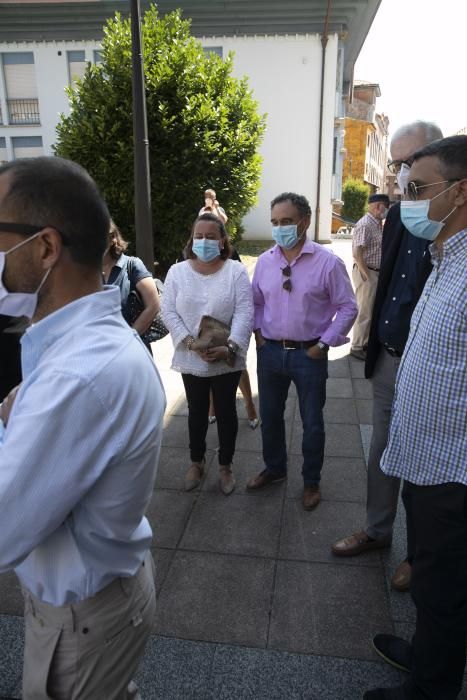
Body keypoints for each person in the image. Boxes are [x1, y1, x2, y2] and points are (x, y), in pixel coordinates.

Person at [0, 156, 166, 699]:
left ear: (46, 247)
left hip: (82, 615)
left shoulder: (77, 374)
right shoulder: (80, 346)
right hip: (100, 595)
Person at [364, 135, 467, 700]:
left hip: (455, 473)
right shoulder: (444, 256)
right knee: (431, 576)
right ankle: (428, 652)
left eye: (419, 189)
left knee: (445, 588)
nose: (406, 200)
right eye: (404, 187)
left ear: (461, 191)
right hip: (425, 460)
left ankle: (432, 688)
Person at [332, 122, 443, 593]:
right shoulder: (398, 217)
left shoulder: (452, 223)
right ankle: (378, 531)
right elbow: (388, 284)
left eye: (409, 162)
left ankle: (420, 556)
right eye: (396, 165)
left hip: (431, 371)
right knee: (382, 449)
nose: (399, 174)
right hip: (388, 358)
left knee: (421, 463)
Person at [247, 193, 357, 510]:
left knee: (313, 422)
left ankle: (311, 481)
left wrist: (325, 343)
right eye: (275, 223)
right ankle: (275, 468)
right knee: (269, 416)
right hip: (270, 353)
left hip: (309, 355)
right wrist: (258, 335)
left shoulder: (327, 262)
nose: (280, 228)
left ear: (305, 221)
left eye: (286, 221)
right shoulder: (266, 262)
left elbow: (348, 307)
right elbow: (255, 303)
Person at [161, 212, 253, 495]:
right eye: (198, 236)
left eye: (211, 237)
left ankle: (225, 465)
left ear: (223, 241)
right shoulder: (178, 272)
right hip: (193, 356)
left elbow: (245, 311)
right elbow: (168, 310)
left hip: (227, 356)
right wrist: (190, 344)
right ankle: (196, 461)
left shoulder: (235, 271)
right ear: (191, 239)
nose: (203, 241)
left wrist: (231, 347)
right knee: (197, 411)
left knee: (226, 412)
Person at [102, 220, 160, 351]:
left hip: (132, 350)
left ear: (112, 238)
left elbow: (154, 304)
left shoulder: (132, 265)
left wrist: (128, 337)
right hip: (99, 353)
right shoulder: (86, 273)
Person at [350, 193, 390, 361]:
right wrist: (367, 275)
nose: (386, 211)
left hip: (373, 272)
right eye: (386, 207)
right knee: (365, 311)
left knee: (370, 310)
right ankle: (357, 346)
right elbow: (357, 252)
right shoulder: (366, 224)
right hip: (367, 272)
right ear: (378, 206)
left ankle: (364, 343)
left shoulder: (376, 223)